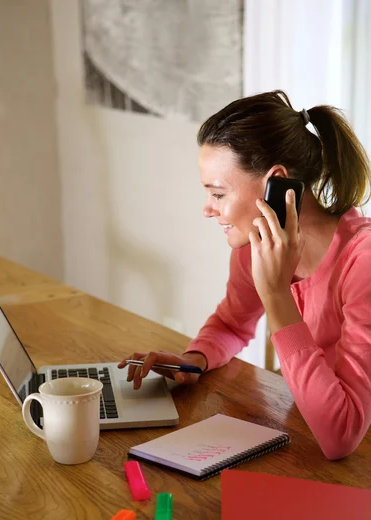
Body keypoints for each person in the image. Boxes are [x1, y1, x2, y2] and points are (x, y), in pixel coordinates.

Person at [118, 90, 371, 460]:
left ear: (277, 184)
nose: (207, 209)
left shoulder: (361, 263)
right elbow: (232, 324)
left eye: (218, 194)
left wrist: (277, 296)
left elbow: (342, 434)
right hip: (302, 432)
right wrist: (194, 360)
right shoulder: (255, 246)